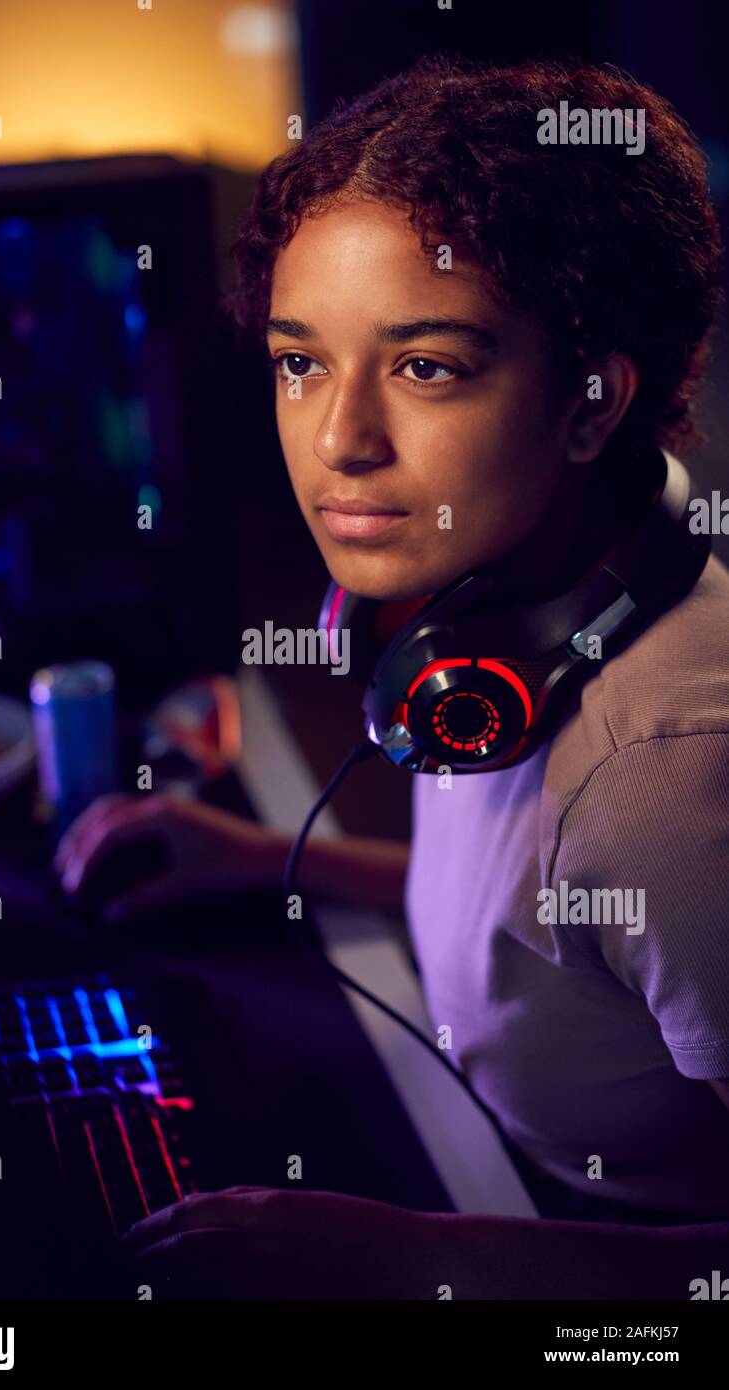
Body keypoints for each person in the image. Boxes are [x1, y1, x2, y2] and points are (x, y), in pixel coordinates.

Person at [54, 54, 729, 1298]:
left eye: (425, 366)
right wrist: (263, 858)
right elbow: (558, 926)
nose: (336, 441)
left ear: (591, 405)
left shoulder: (667, 781)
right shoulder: (490, 612)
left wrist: (418, 1258)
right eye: (299, 360)